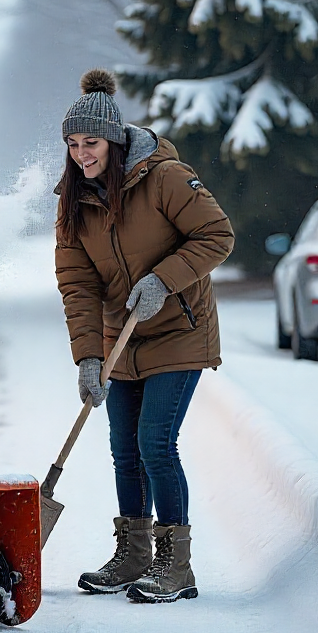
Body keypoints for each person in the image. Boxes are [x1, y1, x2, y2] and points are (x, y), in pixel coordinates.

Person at [54, 68, 234, 603]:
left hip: (179, 328)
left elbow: (217, 235)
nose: (81, 154)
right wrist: (88, 357)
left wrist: (163, 279)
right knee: (122, 450)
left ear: (113, 138)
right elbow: (78, 286)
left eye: (90, 143)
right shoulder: (73, 201)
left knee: (155, 442)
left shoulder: (166, 177)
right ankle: (132, 555)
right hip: (120, 337)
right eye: (72, 144)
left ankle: (174, 566)